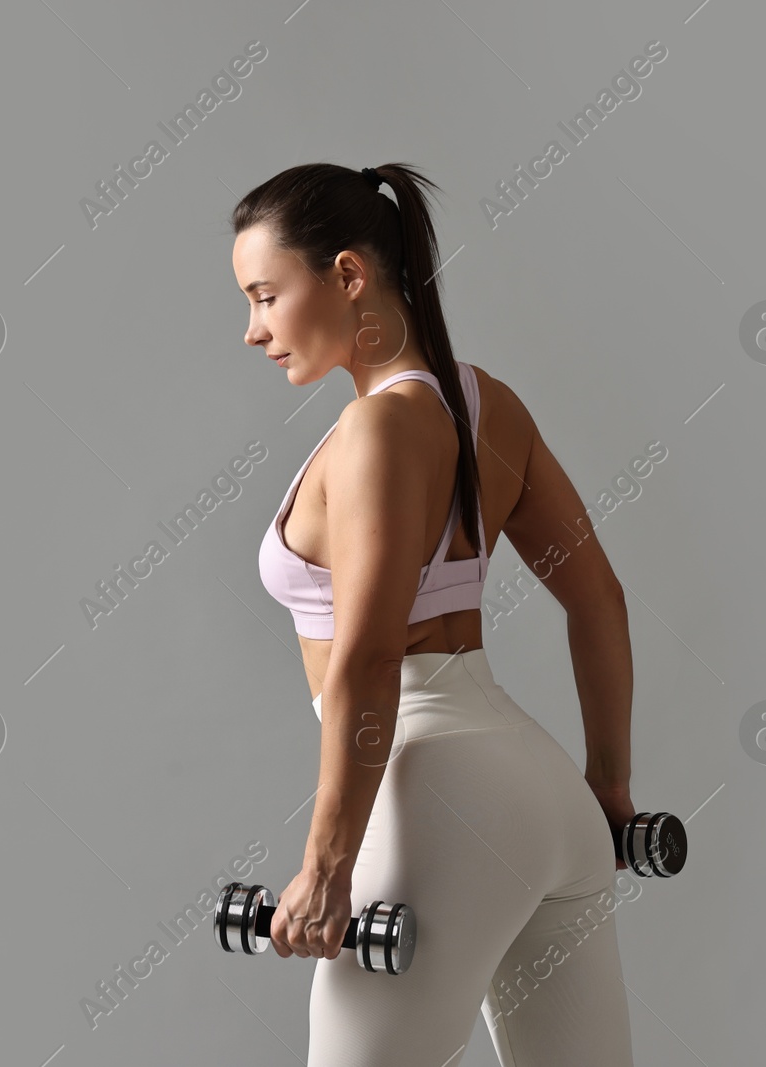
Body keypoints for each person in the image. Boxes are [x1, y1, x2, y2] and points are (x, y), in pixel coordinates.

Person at [235, 162, 638, 1065]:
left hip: (439, 800)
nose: (253, 329)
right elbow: (598, 596)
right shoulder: (487, 406)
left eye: (266, 295)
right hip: (544, 798)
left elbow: (371, 659)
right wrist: (607, 791)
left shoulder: (376, 430)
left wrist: (328, 868)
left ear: (347, 275)